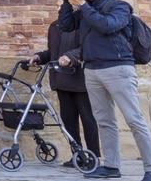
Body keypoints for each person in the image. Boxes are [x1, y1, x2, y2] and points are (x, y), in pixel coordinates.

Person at [58, 0, 151, 181]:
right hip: (92, 70)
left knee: (134, 119)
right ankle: (111, 166)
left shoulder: (120, 6)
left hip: (118, 69)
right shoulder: (87, 8)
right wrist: (67, 1)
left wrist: (83, 5)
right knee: (104, 121)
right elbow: (65, 26)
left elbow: (107, 25)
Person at [28, 20, 100, 166]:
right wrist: (39, 57)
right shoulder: (56, 26)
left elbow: (89, 48)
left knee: (88, 120)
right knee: (68, 121)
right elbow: (53, 52)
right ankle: (78, 155)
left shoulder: (86, 24)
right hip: (61, 80)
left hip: (81, 80)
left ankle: (93, 157)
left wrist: (71, 57)